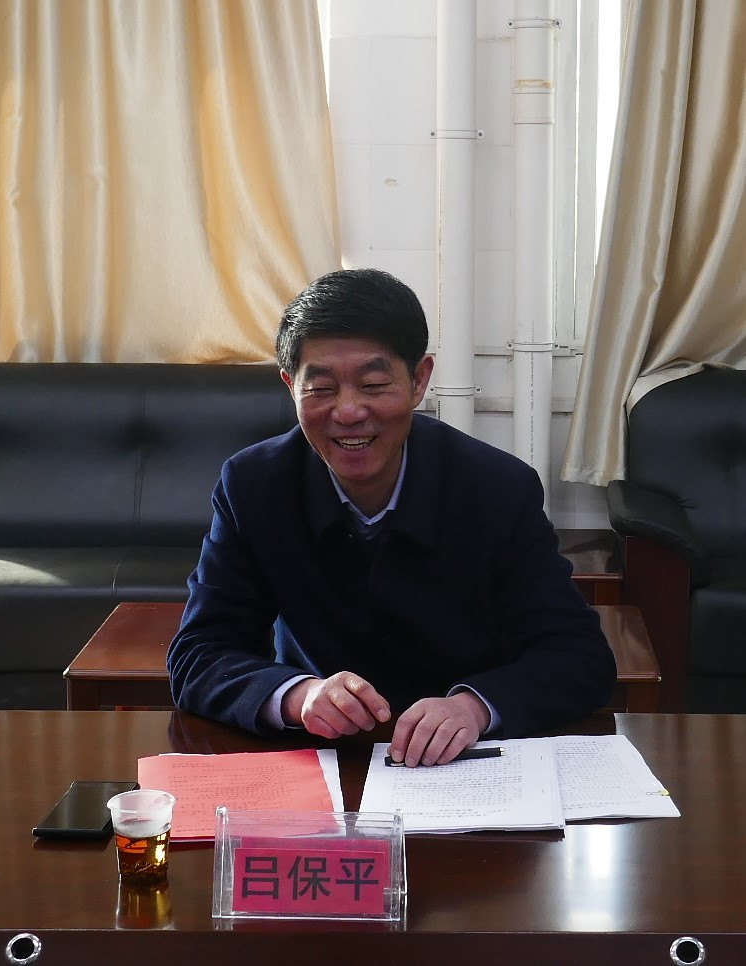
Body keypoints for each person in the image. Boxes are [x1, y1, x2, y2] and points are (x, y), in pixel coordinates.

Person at [167, 268, 616, 766]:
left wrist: (473, 707)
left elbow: (579, 657)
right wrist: (299, 696)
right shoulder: (254, 484)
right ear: (290, 386)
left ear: (420, 379)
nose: (349, 411)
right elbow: (200, 654)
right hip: (321, 755)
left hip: (460, 762)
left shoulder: (497, 488)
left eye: (374, 384)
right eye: (321, 388)